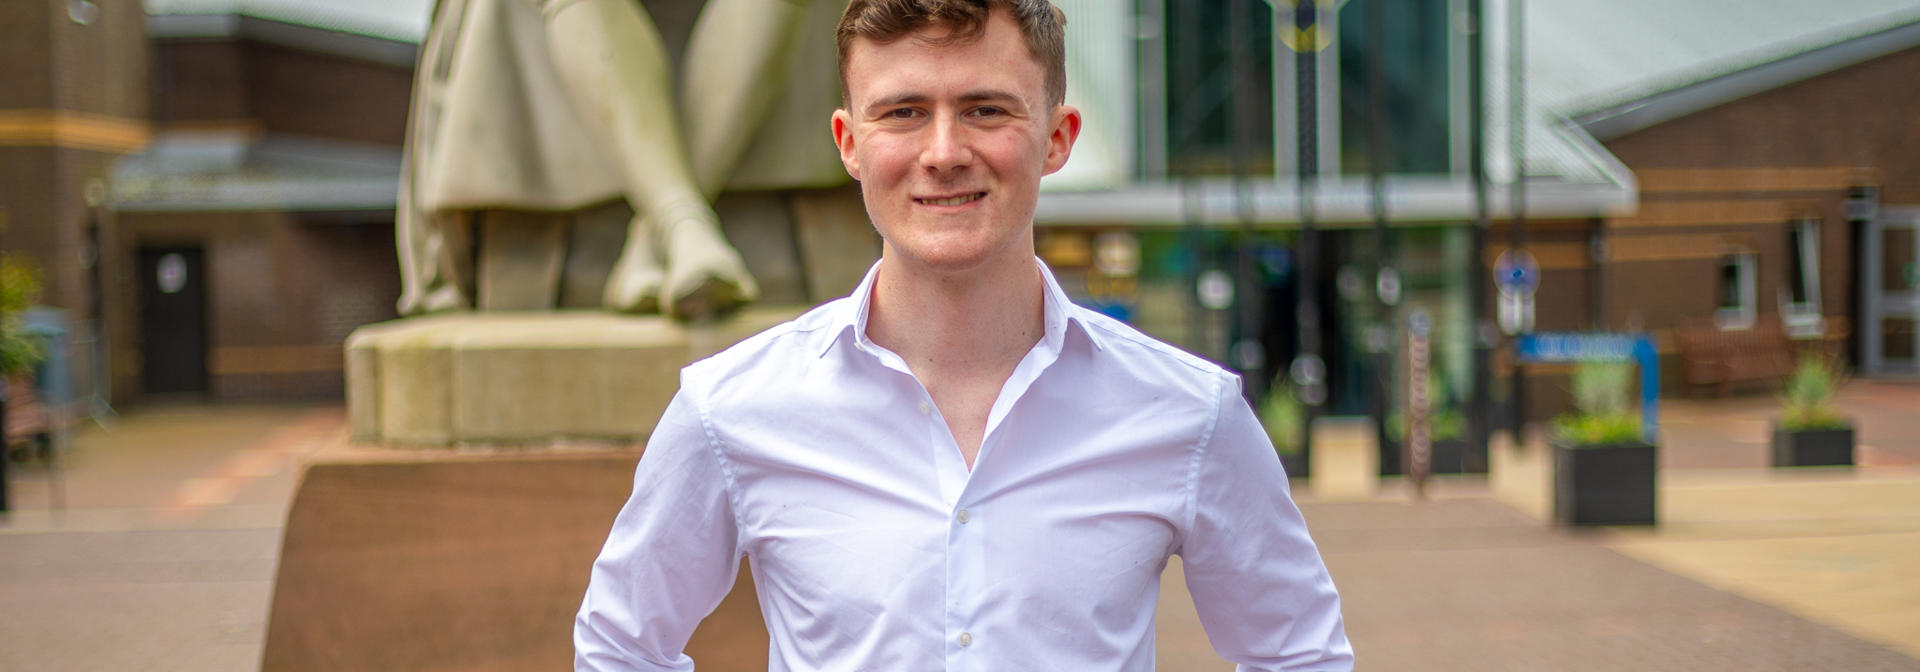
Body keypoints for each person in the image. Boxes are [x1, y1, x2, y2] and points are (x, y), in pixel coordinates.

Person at [574, 0, 1354, 669]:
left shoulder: (1190, 413)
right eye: (904, 112)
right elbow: (619, 646)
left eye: (986, 109)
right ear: (849, 143)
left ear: (1057, 136)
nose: (943, 153)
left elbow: (1301, 653)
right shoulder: (731, 409)